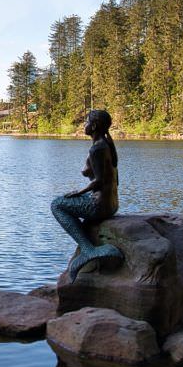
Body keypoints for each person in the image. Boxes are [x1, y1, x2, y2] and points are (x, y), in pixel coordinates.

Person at [51, 109, 123, 282]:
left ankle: (88, 249)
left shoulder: (97, 149)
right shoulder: (107, 146)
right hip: (112, 205)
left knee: (57, 205)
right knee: (66, 203)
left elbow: (98, 181)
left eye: (87, 121)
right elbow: (114, 181)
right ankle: (87, 247)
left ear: (95, 125)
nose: (84, 125)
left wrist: (79, 192)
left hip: (100, 206)